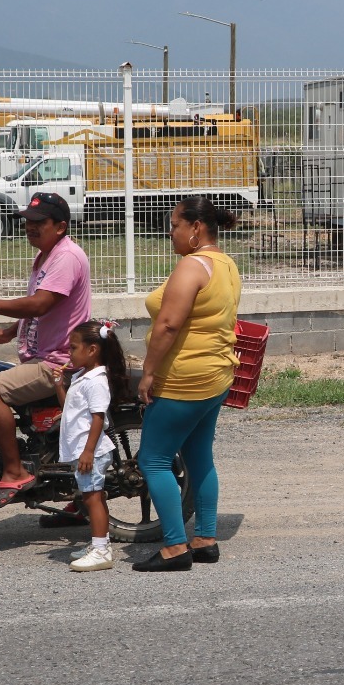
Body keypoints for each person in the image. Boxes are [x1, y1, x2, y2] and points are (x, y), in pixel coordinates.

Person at [0, 192, 92, 511]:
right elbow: (44, 309)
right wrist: (8, 333)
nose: (30, 227)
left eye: (39, 222)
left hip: (58, 363)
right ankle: (75, 498)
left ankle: (14, 471)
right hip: (44, 356)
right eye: (28, 221)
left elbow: (41, 303)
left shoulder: (66, 257)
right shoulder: (47, 256)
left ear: (60, 226)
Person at [133, 196, 240, 572]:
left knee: (153, 460)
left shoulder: (192, 266)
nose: (170, 232)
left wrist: (148, 372)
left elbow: (168, 325)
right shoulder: (225, 264)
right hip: (216, 376)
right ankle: (205, 539)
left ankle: (176, 547)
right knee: (198, 456)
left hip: (184, 380)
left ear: (196, 227)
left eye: (175, 225)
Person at [59, 319, 130, 572]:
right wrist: (59, 386)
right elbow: (69, 408)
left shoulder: (96, 381)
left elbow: (98, 417)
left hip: (91, 451)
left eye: (73, 347)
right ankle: (99, 544)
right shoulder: (82, 376)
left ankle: (101, 551)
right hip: (84, 449)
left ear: (92, 350)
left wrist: (88, 452)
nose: (69, 352)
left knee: (93, 498)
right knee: (92, 496)